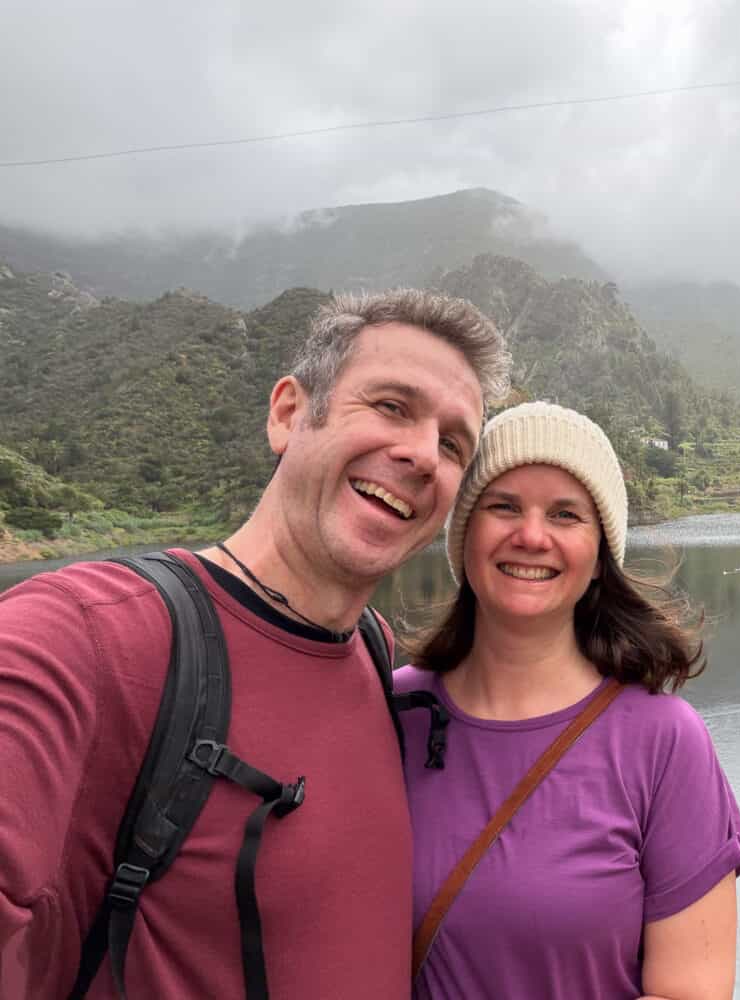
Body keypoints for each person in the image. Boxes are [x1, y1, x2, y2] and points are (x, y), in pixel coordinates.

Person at [0, 289, 511, 1000]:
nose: (423, 455)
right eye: (392, 406)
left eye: (453, 443)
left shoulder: (370, 649)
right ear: (288, 413)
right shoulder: (86, 635)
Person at [395, 401, 740, 1000]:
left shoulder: (663, 740)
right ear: (463, 537)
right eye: (503, 506)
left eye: (565, 515)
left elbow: (690, 992)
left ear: (598, 560)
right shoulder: (392, 712)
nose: (531, 536)